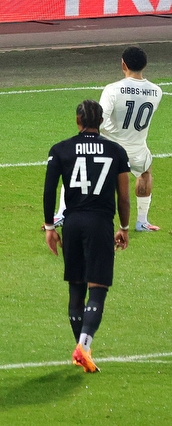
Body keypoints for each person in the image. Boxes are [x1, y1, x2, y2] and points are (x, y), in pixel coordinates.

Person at [43, 100, 131, 373]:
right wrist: (124, 228)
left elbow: (49, 190)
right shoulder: (116, 151)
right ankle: (84, 345)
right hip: (99, 224)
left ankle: (81, 351)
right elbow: (124, 197)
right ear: (101, 121)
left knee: (76, 288)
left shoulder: (60, 149)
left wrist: (49, 227)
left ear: (77, 121)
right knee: (97, 289)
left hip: (72, 224)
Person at [99, 46, 162, 231]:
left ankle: (61, 213)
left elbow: (100, 120)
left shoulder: (113, 90)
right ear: (145, 65)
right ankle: (142, 221)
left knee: (81, 171)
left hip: (110, 147)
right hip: (136, 149)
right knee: (145, 173)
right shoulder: (156, 92)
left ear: (123, 64)